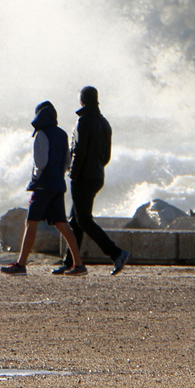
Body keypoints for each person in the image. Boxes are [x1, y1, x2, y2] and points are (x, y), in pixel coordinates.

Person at [1, 100, 86, 276]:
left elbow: (40, 162)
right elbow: (67, 162)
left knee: (31, 223)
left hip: (42, 186)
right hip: (58, 185)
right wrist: (57, 175)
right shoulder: (62, 134)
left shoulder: (41, 134)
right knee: (62, 225)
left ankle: (21, 264)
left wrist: (35, 179)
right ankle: (78, 264)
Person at [54, 85, 129, 276]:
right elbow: (106, 156)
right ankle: (71, 263)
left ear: (82, 101)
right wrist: (95, 168)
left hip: (83, 177)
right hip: (97, 176)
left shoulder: (83, 121)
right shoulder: (104, 122)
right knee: (76, 221)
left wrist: (74, 174)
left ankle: (116, 253)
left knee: (84, 221)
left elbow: (79, 152)